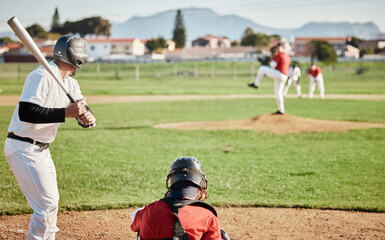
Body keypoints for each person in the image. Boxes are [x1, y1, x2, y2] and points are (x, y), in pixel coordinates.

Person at [4, 35, 96, 240]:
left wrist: (86, 117)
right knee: (46, 205)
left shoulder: (70, 83)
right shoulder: (42, 75)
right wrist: (66, 113)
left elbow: (80, 107)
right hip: (23, 146)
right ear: (78, 57)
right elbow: (26, 112)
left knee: (51, 202)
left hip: (41, 149)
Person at [131, 157, 230, 240]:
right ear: (200, 186)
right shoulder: (207, 216)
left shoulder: (149, 210)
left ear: (171, 183)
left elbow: (134, 217)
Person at [247, 43, 291, 114]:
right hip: (284, 76)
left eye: (279, 48)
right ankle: (281, 110)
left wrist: (273, 57)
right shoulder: (287, 56)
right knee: (278, 93)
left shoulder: (279, 55)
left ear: (282, 48)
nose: (278, 49)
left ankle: (256, 84)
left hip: (279, 74)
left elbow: (272, 65)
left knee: (262, 68)